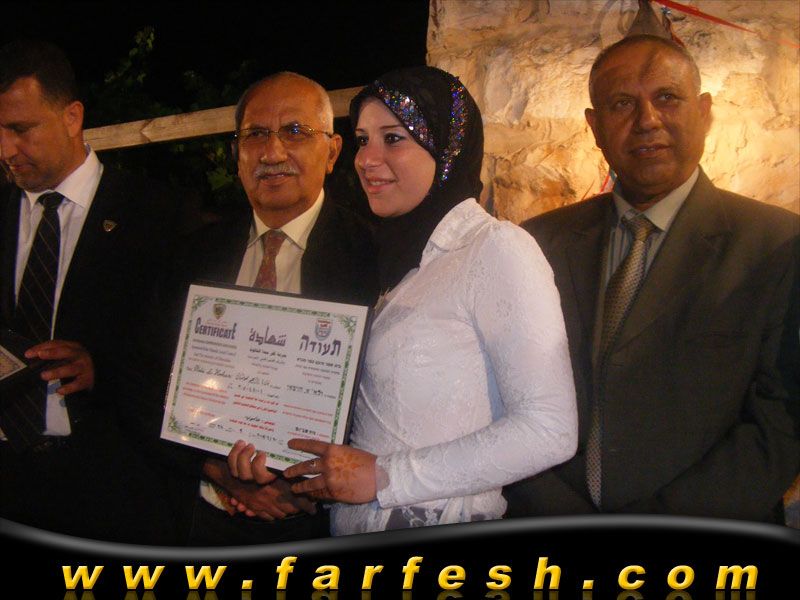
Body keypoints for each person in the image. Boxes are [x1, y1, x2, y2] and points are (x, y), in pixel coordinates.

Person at [230, 65, 578, 534]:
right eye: (362, 140)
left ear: (446, 149)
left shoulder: (494, 249)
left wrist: (384, 477)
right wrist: (287, 468)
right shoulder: (397, 259)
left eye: (393, 139)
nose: (366, 159)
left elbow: (550, 429)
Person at [504, 34, 800, 522]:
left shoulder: (777, 245)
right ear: (595, 127)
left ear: (704, 112)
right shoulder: (537, 243)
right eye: (622, 103)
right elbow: (505, 394)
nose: (647, 120)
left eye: (667, 97)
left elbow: (781, 420)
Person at [137, 71, 379, 545]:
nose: (272, 153)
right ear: (236, 153)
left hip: (320, 526)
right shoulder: (191, 254)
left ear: (332, 152)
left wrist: (310, 486)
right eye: (255, 135)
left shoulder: (373, 258)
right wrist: (214, 469)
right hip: (201, 520)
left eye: (295, 131)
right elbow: (141, 379)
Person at [0, 39, 182, 543]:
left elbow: (187, 356)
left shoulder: (160, 217)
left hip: (115, 496)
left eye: (20, 129)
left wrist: (103, 368)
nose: (5, 150)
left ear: (72, 117)